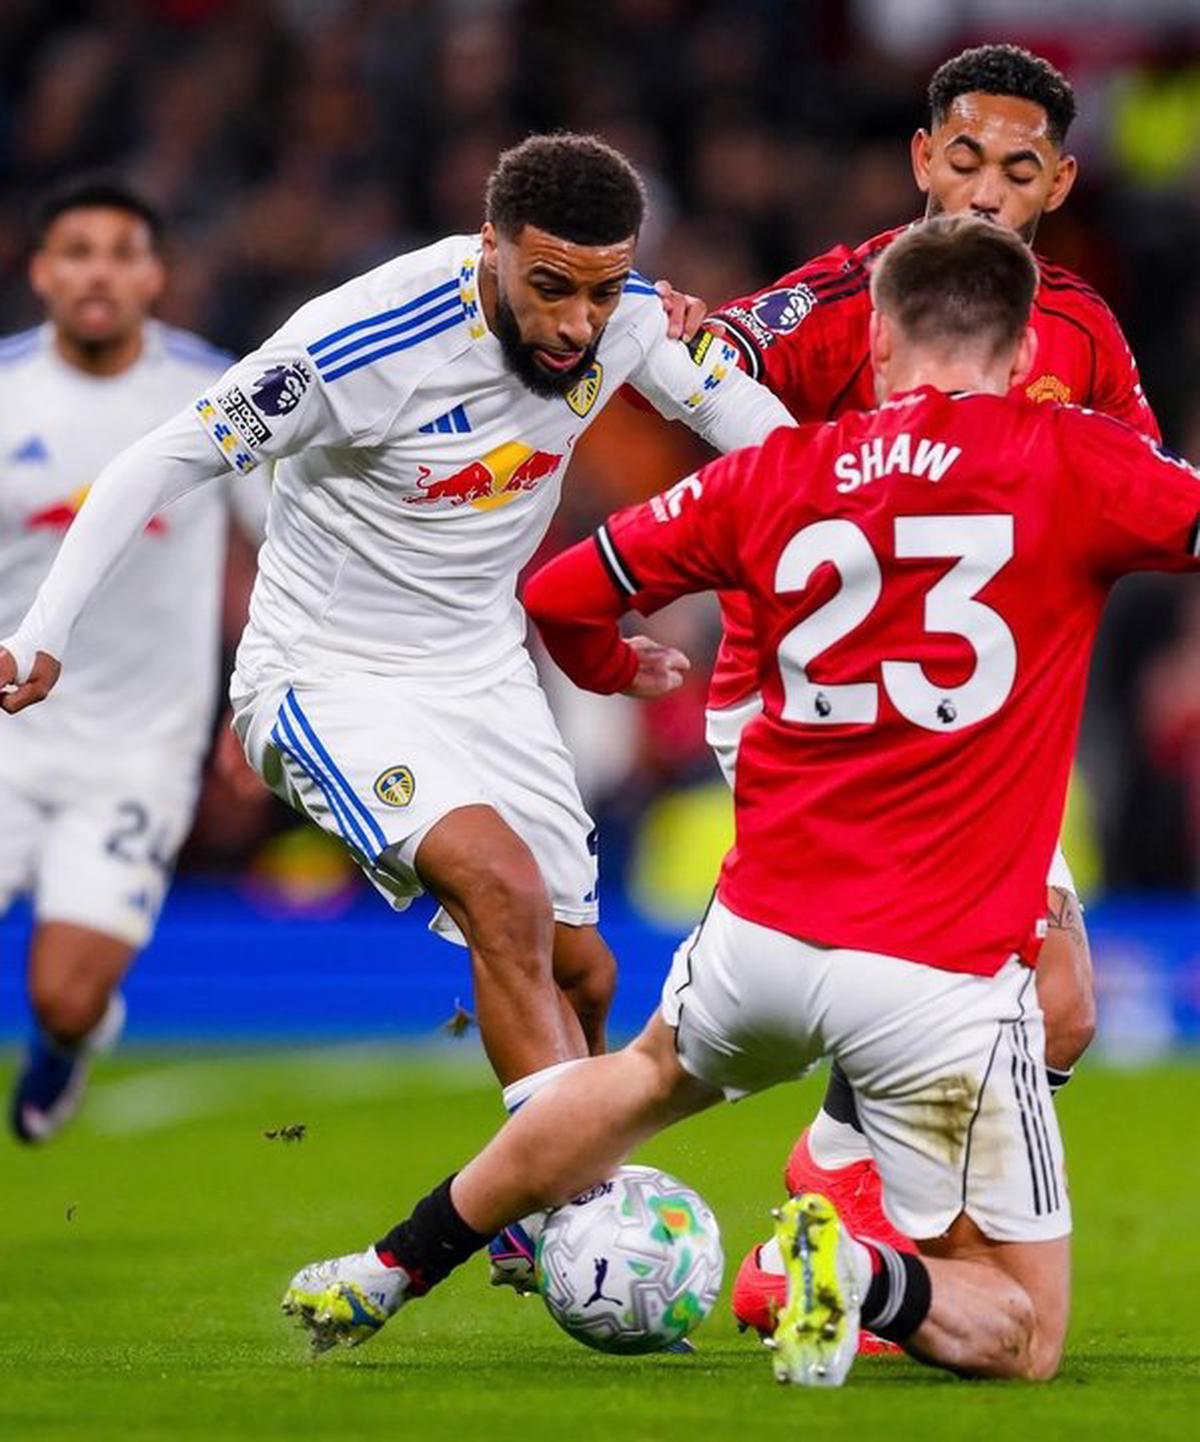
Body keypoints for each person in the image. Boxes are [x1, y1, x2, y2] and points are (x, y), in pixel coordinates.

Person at [276, 217, 1200, 1386]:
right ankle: (857, 1270)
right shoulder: (1070, 456)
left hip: (764, 932)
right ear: (1023, 356)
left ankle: (389, 1263)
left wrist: (621, 667)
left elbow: (562, 595)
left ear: (874, 337)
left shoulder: (773, 471)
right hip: (945, 966)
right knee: (1023, 1329)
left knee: (642, 1081)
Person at [0, 137, 793, 1179]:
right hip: (325, 676)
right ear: (491, 246)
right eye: (549, 287)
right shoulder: (360, 341)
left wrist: (866, 526)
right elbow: (163, 455)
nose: (576, 325)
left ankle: (553, 1188)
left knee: (588, 973)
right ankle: (569, 1206)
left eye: (600, 292)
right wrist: (40, 630)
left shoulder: (631, 315)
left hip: (485, 674)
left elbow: (768, 443)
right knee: (499, 888)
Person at [693, 44, 1161, 1324]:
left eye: (1018, 169)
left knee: (1060, 1009)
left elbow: (1135, 488)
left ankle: (835, 1183)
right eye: (962, 159)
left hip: (972, 723)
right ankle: (868, 1231)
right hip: (811, 710)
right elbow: (712, 365)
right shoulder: (851, 294)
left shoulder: (1080, 330)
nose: (984, 191)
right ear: (921, 159)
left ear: (1058, 184)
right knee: (951, 987)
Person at [0, 175, 267, 1143]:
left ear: (155, 274)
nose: (98, 272)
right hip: (7, 728)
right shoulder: (4, 391)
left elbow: (280, 545)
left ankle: (74, 1036)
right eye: (77, 252)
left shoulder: (217, 393)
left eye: (121, 252)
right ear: (41, 272)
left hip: (138, 749)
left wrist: (266, 700)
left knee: (64, 997)